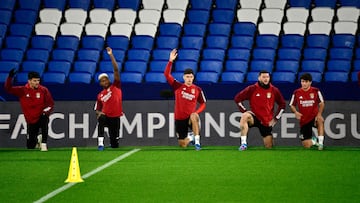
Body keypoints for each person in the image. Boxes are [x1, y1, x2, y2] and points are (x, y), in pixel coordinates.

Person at [164, 49, 206, 150]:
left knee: (193, 116)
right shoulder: (177, 86)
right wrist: (170, 61)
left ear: (193, 78)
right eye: (187, 77)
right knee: (182, 144)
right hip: (179, 118)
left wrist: (196, 112)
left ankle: (197, 142)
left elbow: (203, 103)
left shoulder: (197, 90)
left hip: (190, 118)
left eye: (191, 77)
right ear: (183, 77)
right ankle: (191, 137)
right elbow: (166, 75)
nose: (189, 79)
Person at [234, 70, 285, 150]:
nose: (266, 79)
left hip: (266, 121)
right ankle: (243, 144)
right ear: (259, 78)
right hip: (254, 116)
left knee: (269, 146)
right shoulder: (252, 89)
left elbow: (282, 105)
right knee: (245, 116)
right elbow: (237, 98)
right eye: (263, 77)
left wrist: (275, 119)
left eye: (267, 77)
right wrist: (245, 110)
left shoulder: (274, 90)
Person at [4, 70, 54, 151]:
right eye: (34, 81)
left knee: (44, 120)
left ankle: (44, 144)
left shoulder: (44, 90)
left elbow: (50, 104)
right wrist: (10, 77)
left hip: (41, 116)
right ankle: (38, 139)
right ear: (29, 81)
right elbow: (8, 88)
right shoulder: (22, 90)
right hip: (30, 120)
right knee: (30, 146)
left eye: (38, 80)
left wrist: (45, 112)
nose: (37, 82)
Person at [94, 47, 123, 151]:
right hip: (106, 116)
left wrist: (111, 55)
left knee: (115, 144)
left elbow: (116, 69)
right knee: (101, 119)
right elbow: (97, 109)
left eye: (106, 79)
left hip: (115, 117)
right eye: (102, 81)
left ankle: (113, 142)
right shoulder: (100, 95)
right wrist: (99, 113)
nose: (105, 81)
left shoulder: (116, 86)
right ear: (100, 83)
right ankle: (100, 144)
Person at [289, 73, 325, 150]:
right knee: (306, 145)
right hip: (304, 120)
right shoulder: (296, 92)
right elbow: (291, 105)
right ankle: (314, 141)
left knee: (320, 120)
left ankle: (321, 144)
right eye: (302, 81)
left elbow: (321, 103)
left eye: (306, 82)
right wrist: (295, 112)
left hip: (314, 117)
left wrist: (319, 114)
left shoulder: (316, 91)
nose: (304, 83)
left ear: (310, 82)